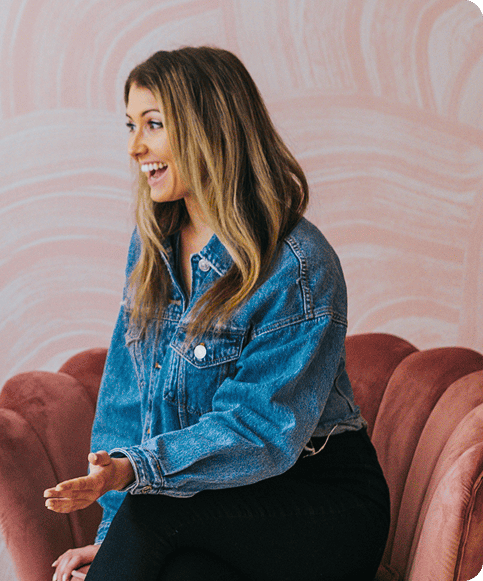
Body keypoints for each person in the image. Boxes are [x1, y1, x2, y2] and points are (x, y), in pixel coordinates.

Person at [42, 47, 390, 581]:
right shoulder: (153, 244)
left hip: (320, 503)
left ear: (208, 127)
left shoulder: (296, 263)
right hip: (216, 507)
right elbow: (128, 399)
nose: (135, 147)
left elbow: (259, 427)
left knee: (155, 513)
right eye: (130, 125)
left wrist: (135, 473)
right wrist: (111, 540)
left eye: (153, 124)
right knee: (186, 572)